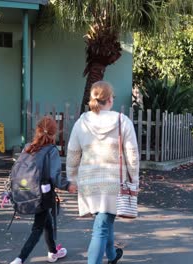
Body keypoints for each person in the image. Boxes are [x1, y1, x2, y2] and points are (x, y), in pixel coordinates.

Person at [66, 81, 140, 264]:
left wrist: (72, 179)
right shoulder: (122, 121)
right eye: (113, 96)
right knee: (101, 227)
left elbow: (73, 154)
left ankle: (112, 256)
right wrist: (135, 180)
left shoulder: (81, 122)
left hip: (89, 183)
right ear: (108, 99)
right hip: (113, 182)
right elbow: (132, 155)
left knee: (104, 220)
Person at [10, 116, 74, 264]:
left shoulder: (28, 147)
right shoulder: (51, 150)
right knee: (38, 228)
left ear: (37, 131)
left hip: (28, 192)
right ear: (54, 133)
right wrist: (68, 185)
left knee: (47, 222)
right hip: (43, 195)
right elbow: (55, 176)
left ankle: (53, 252)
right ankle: (20, 259)